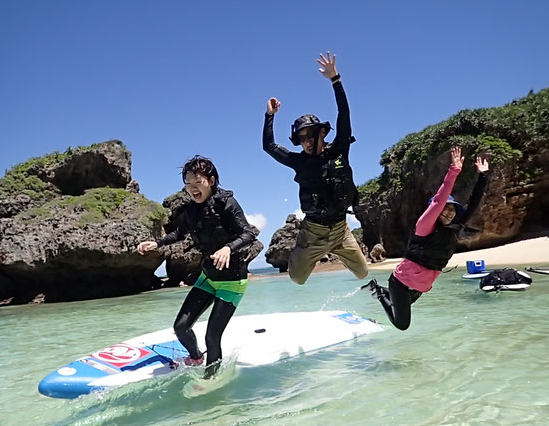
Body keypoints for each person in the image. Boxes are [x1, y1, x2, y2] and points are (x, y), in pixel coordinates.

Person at [137, 156, 257, 378]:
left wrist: (228, 248)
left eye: (197, 183)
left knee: (212, 336)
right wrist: (157, 243)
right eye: (188, 185)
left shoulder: (227, 204)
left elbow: (248, 233)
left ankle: (210, 379)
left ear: (211, 181)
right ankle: (195, 357)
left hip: (232, 281)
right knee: (181, 327)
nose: (192, 189)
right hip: (208, 277)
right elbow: (180, 233)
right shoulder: (191, 211)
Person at [263, 51, 368, 284]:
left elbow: (344, 114)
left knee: (362, 273)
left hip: (341, 229)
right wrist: (269, 116)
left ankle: (338, 249)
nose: (306, 143)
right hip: (313, 232)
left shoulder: (339, 150)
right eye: (301, 139)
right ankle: (302, 251)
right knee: (297, 279)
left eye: (310, 136)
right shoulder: (299, 162)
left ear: (322, 132)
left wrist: (335, 80)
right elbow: (269, 146)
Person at [363, 146, 489, 330]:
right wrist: (454, 171)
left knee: (401, 307)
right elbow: (439, 200)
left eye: (452, 209)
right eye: (444, 209)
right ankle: (380, 293)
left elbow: (474, 202)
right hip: (401, 283)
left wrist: (483, 175)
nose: (448, 212)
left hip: (420, 287)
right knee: (402, 324)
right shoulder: (425, 226)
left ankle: (382, 292)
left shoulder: (454, 227)